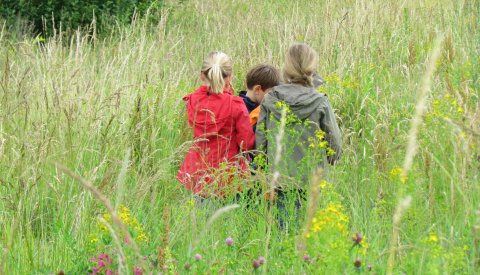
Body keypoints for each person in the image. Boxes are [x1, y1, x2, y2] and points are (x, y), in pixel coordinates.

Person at [255, 43, 342, 230]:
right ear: (312, 67)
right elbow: (335, 144)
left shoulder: (271, 100)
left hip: (279, 181)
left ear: (287, 67)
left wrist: (263, 171)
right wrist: (332, 159)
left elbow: (260, 143)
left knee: (281, 233)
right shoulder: (320, 102)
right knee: (309, 234)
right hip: (312, 181)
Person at [177, 51, 255, 197]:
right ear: (229, 77)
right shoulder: (235, 104)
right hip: (228, 176)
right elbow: (246, 143)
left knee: (199, 217)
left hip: (196, 173)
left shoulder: (192, 101)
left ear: (202, 75)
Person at [238, 64, 281, 132]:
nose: (273, 97)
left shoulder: (236, 104)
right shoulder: (241, 112)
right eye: (270, 93)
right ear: (257, 89)